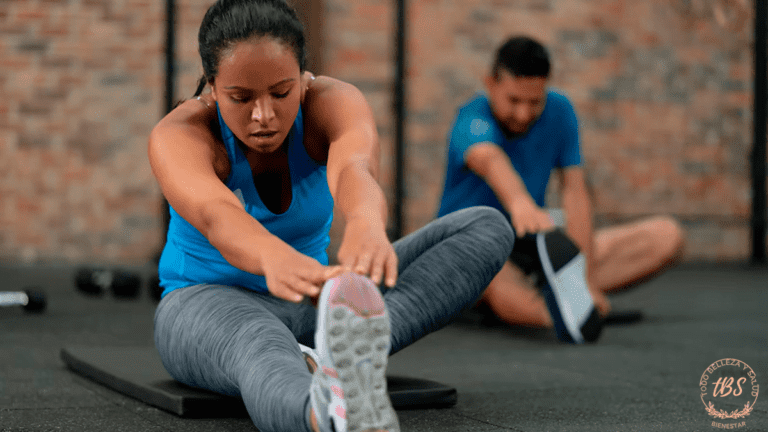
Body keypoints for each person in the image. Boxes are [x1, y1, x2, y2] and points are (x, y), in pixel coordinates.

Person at [148, 1, 515, 432]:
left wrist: (366, 225)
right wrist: (273, 258)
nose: (263, 115)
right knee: (260, 346)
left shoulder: (331, 103)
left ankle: (328, 354)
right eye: (241, 98)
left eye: (281, 93)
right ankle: (324, 411)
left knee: (485, 227)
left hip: (312, 300)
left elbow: (354, 169)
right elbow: (216, 216)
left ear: (304, 79)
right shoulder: (180, 134)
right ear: (212, 87)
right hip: (202, 305)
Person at [437, 35, 685, 332]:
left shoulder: (560, 111)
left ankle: (573, 301)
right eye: (514, 101)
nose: (523, 113)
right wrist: (521, 204)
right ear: (491, 84)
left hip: (531, 246)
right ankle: (563, 316)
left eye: (534, 102)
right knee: (494, 278)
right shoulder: (471, 117)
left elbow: (575, 191)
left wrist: (584, 278)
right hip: (471, 250)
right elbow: (490, 160)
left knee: (667, 236)